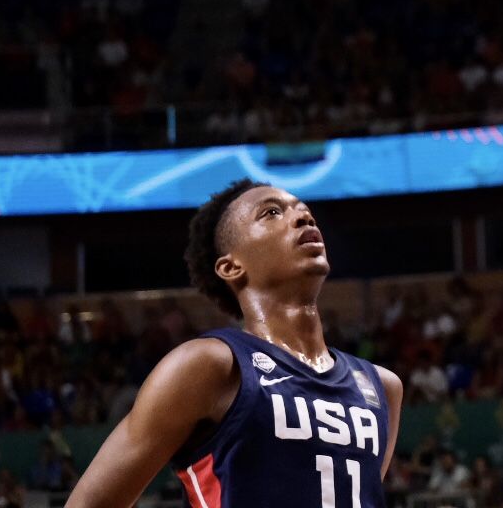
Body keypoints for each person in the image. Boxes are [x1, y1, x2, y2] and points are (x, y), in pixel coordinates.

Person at [66, 180, 403, 507]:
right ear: (231, 267)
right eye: (271, 213)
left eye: (305, 211)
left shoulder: (382, 387)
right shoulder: (207, 366)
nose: (303, 217)